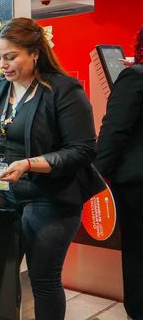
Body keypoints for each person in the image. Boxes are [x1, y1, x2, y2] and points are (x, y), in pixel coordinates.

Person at [0, 17, 96, 320]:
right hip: (8, 194)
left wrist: (30, 164)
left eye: (11, 57)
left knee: (43, 279)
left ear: (35, 53)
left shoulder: (64, 90)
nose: (2, 64)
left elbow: (81, 150)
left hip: (52, 198)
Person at [95, 25, 143, 320]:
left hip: (137, 185)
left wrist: (94, 178)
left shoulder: (135, 77)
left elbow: (115, 131)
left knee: (138, 254)